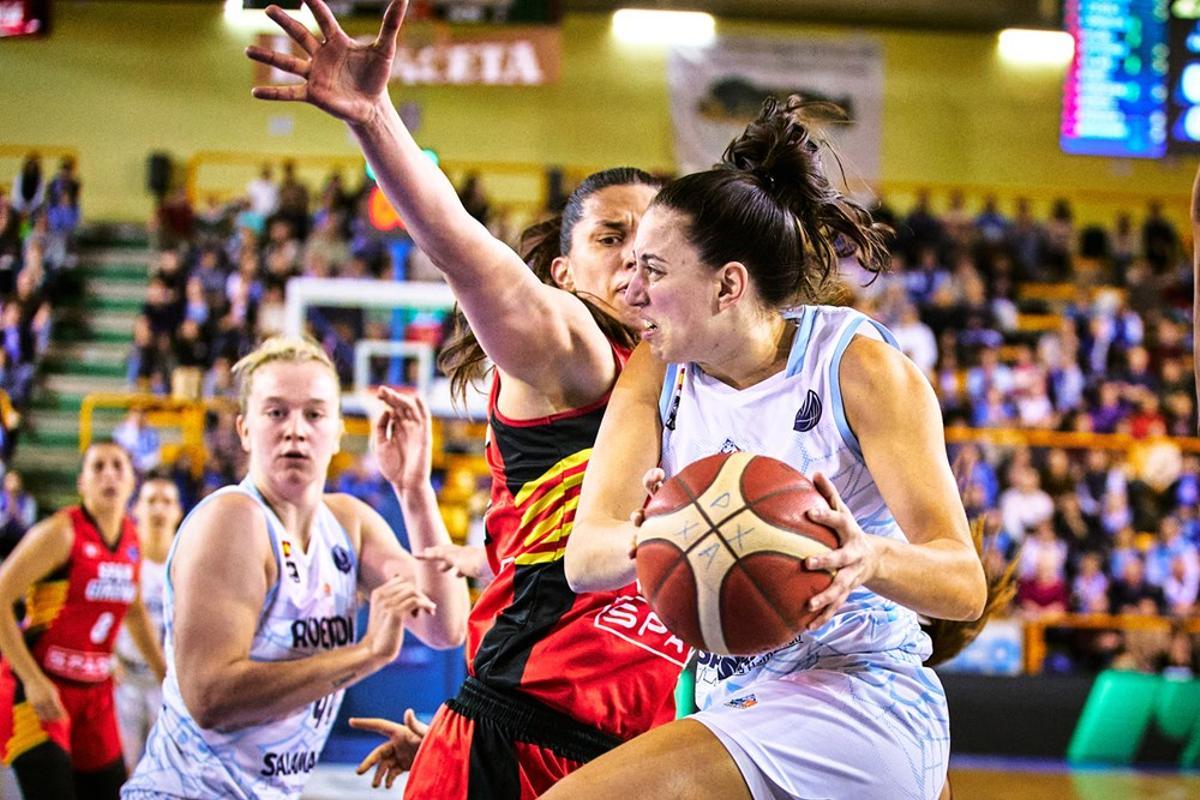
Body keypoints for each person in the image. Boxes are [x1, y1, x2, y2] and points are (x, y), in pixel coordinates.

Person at [247, 3, 684, 796]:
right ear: (562, 272)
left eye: (651, 238)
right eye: (609, 237)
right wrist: (376, 120)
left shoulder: (685, 380)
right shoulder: (576, 348)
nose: (633, 258)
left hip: (624, 756)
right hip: (521, 743)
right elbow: (462, 248)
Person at [544, 98, 987, 800]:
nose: (629, 290)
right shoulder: (656, 371)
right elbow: (585, 559)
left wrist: (869, 557)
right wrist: (665, 535)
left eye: (653, 270)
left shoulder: (855, 367)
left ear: (728, 285)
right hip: (736, 694)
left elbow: (962, 585)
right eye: (627, 268)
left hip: (857, 695)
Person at [121, 336, 469, 799]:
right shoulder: (232, 519)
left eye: (314, 413)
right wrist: (365, 655)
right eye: (276, 412)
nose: (295, 430)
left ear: (339, 430)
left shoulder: (349, 523)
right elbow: (210, 699)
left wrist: (415, 491)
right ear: (245, 430)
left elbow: (446, 627)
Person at [0, 441, 167, 800]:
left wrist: (165, 673)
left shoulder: (131, 540)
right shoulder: (60, 533)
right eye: (98, 467)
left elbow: (134, 610)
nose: (109, 474)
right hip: (39, 690)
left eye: (117, 466)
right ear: (81, 483)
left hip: (94, 696)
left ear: (131, 482)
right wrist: (32, 680)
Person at [113, 476, 183, 770]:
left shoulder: (189, 564)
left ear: (178, 511)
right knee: (117, 773)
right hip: (123, 678)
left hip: (168, 684)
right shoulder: (119, 559)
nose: (158, 509)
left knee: (170, 775)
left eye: (166, 501)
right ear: (136, 509)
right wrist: (106, 658)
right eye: (151, 500)